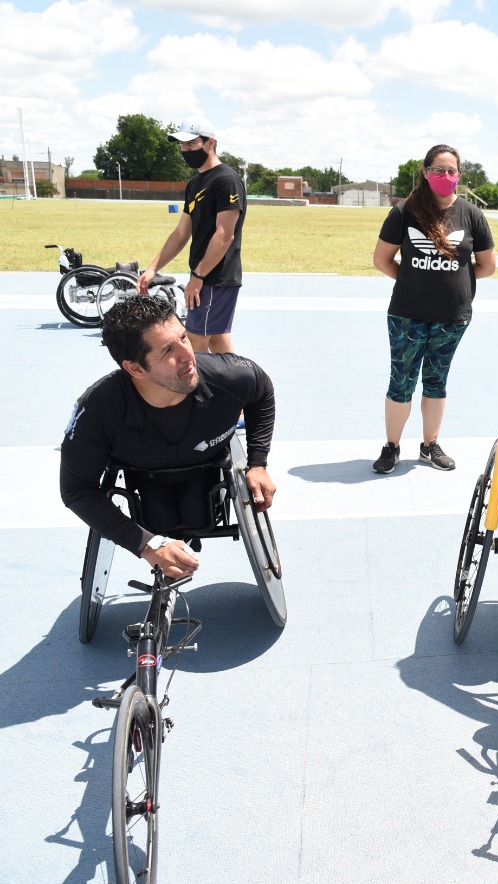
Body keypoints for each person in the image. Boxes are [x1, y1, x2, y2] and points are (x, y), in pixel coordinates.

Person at [60, 295, 277, 581]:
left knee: (196, 513)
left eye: (184, 337)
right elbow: (76, 489)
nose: (188, 355)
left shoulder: (229, 375)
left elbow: (262, 391)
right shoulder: (98, 410)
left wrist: (258, 463)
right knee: (159, 517)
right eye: (168, 351)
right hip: (145, 480)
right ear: (135, 368)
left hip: (207, 470)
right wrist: (147, 545)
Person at [372, 143, 496, 474]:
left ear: (459, 175)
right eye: (438, 170)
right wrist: (412, 281)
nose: (445, 176)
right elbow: (381, 260)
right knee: (401, 380)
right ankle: (391, 446)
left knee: (436, 380)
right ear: (426, 172)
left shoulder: (472, 214)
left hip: (452, 317)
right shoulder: (404, 211)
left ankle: (430, 445)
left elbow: (486, 265)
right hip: (406, 316)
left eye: (451, 171)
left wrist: (458, 282)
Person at [138, 117, 247, 354]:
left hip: (215, 277)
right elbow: (181, 233)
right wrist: (152, 268)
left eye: (192, 143)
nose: (185, 150)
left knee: (195, 341)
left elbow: (225, 234)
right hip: (203, 275)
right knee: (218, 340)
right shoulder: (195, 183)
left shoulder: (226, 180)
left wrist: (198, 276)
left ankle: (196, 391)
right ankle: (236, 388)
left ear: (210, 143)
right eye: (182, 145)